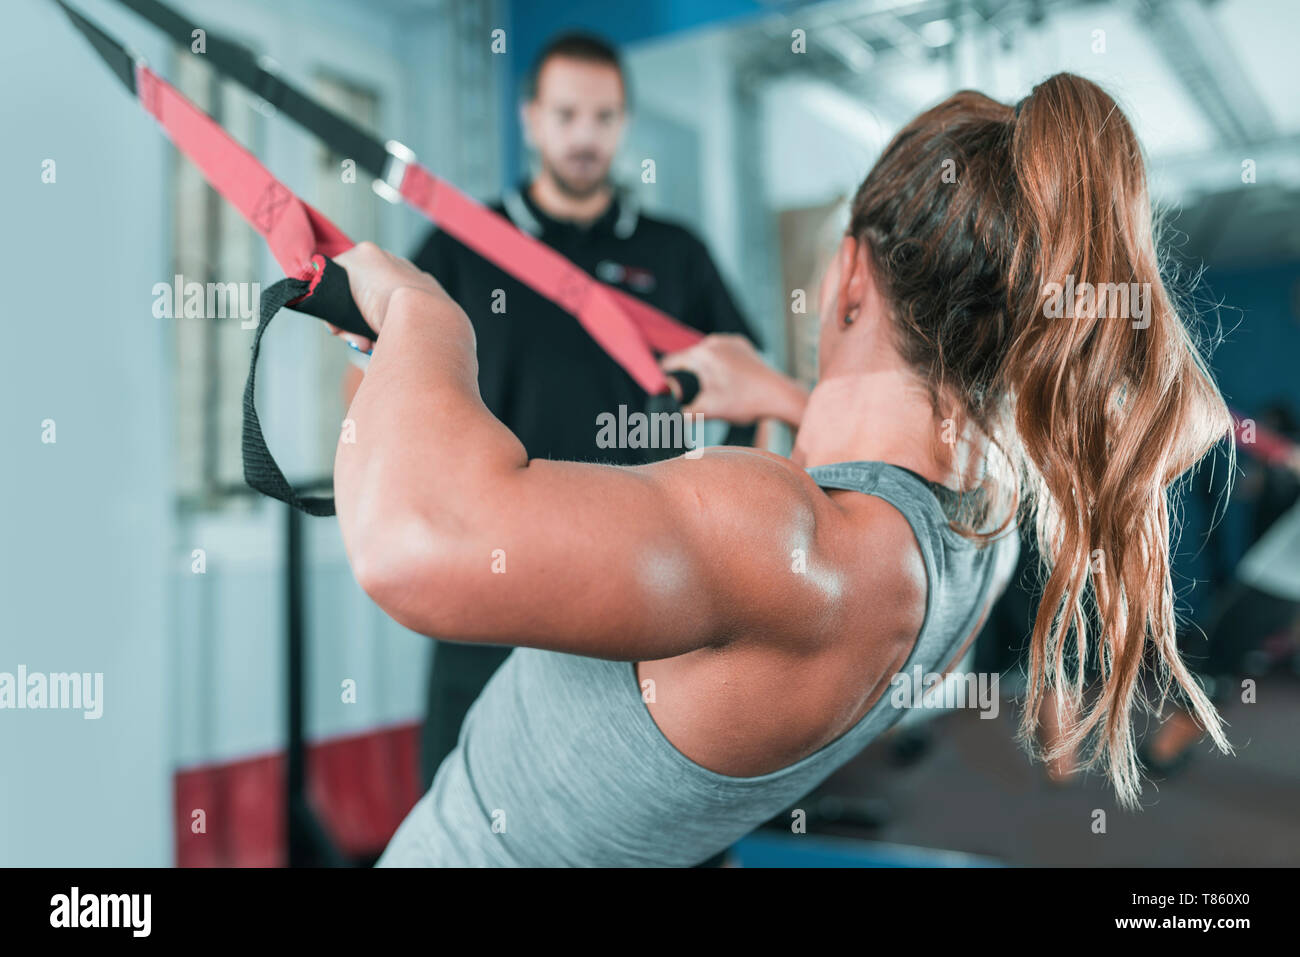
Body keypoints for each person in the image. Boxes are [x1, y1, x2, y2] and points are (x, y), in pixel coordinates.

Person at [329, 73, 1236, 866]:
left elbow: (413, 543)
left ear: (849, 278)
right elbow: (905, 463)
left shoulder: (776, 535)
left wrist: (421, 318)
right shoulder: (983, 530)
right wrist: (784, 389)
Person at [339, 32, 762, 792]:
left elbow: (755, 395)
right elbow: (373, 388)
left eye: (603, 117)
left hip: (641, 590)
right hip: (486, 585)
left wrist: (724, 536)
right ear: (531, 119)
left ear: (624, 125)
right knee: (471, 812)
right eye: (566, 114)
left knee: (652, 812)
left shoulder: (676, 256)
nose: (583, 136)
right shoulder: (461, 248)